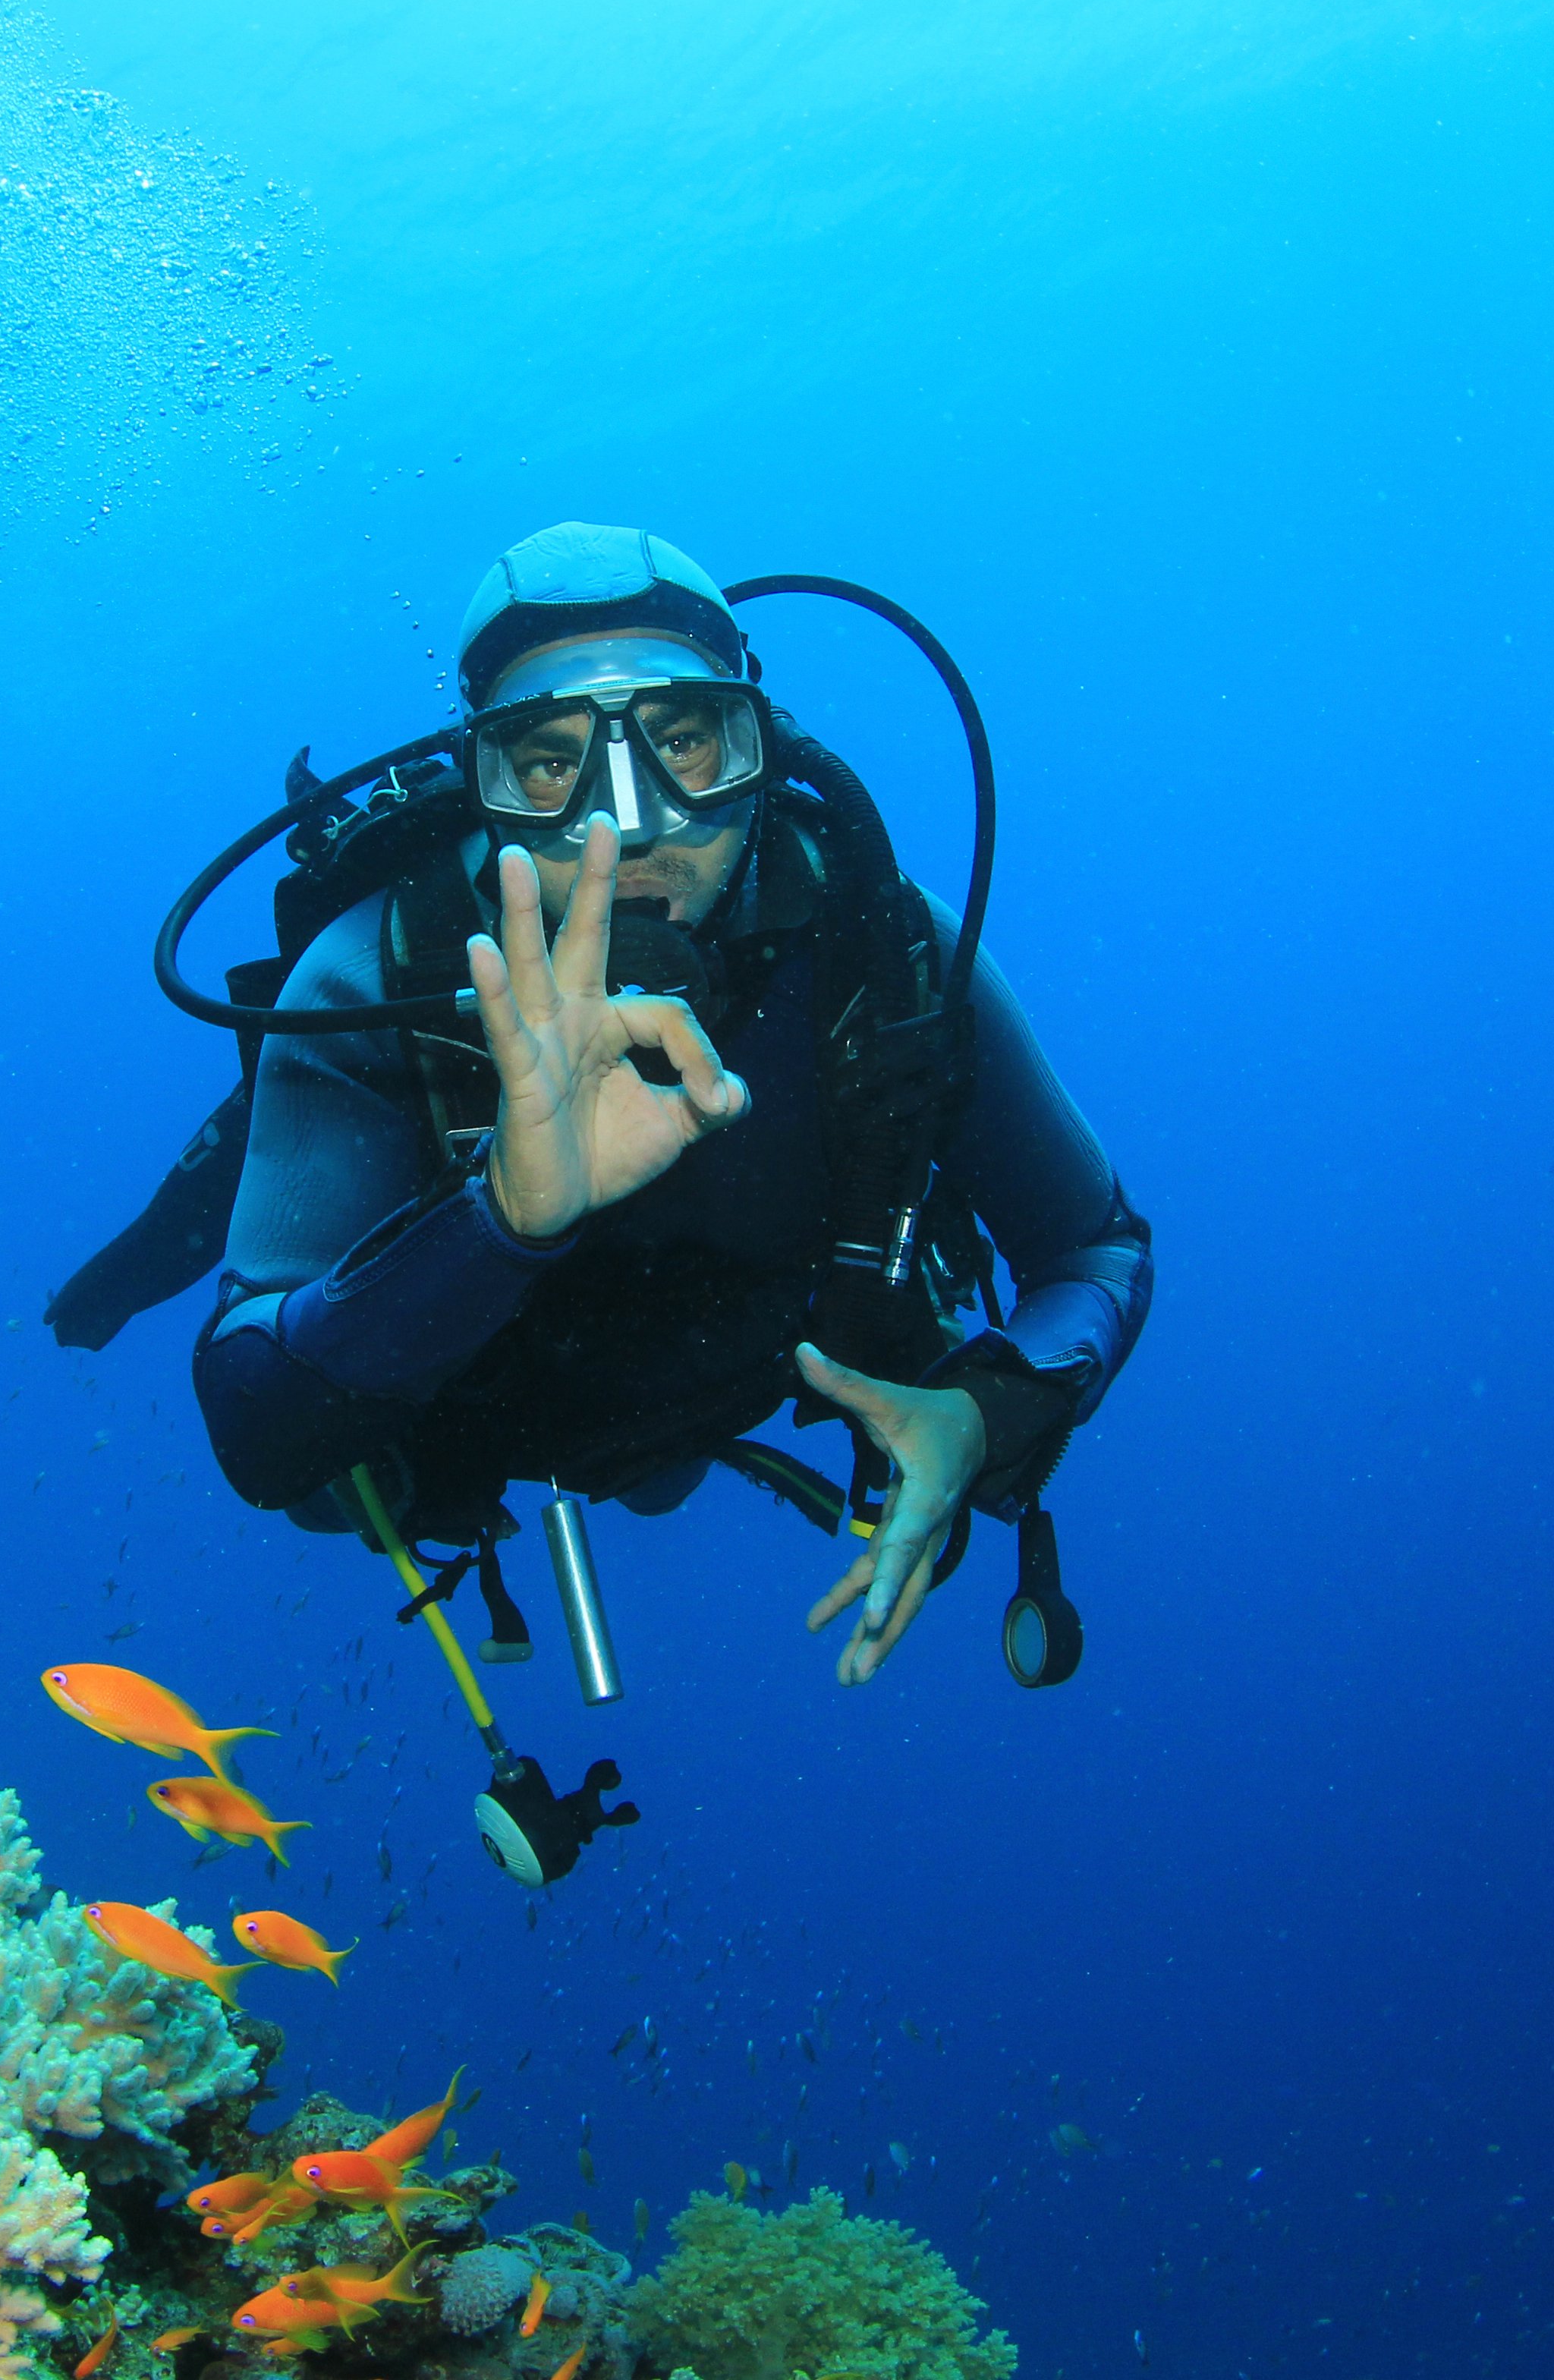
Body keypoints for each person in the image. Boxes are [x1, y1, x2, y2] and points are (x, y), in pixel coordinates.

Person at [189, 524, 1153, 1683]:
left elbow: (1094, 1247)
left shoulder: (879, 948)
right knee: (395, 1487)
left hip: (763, 1354)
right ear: (481, 783)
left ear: (763, 746)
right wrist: (502, 1215)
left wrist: (986, 1414)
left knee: (665, 1476)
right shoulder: (371, 983)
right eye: (550, 761)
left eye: (686, 740)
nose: (629, 821)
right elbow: (257, 1438)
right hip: (496, 1407)